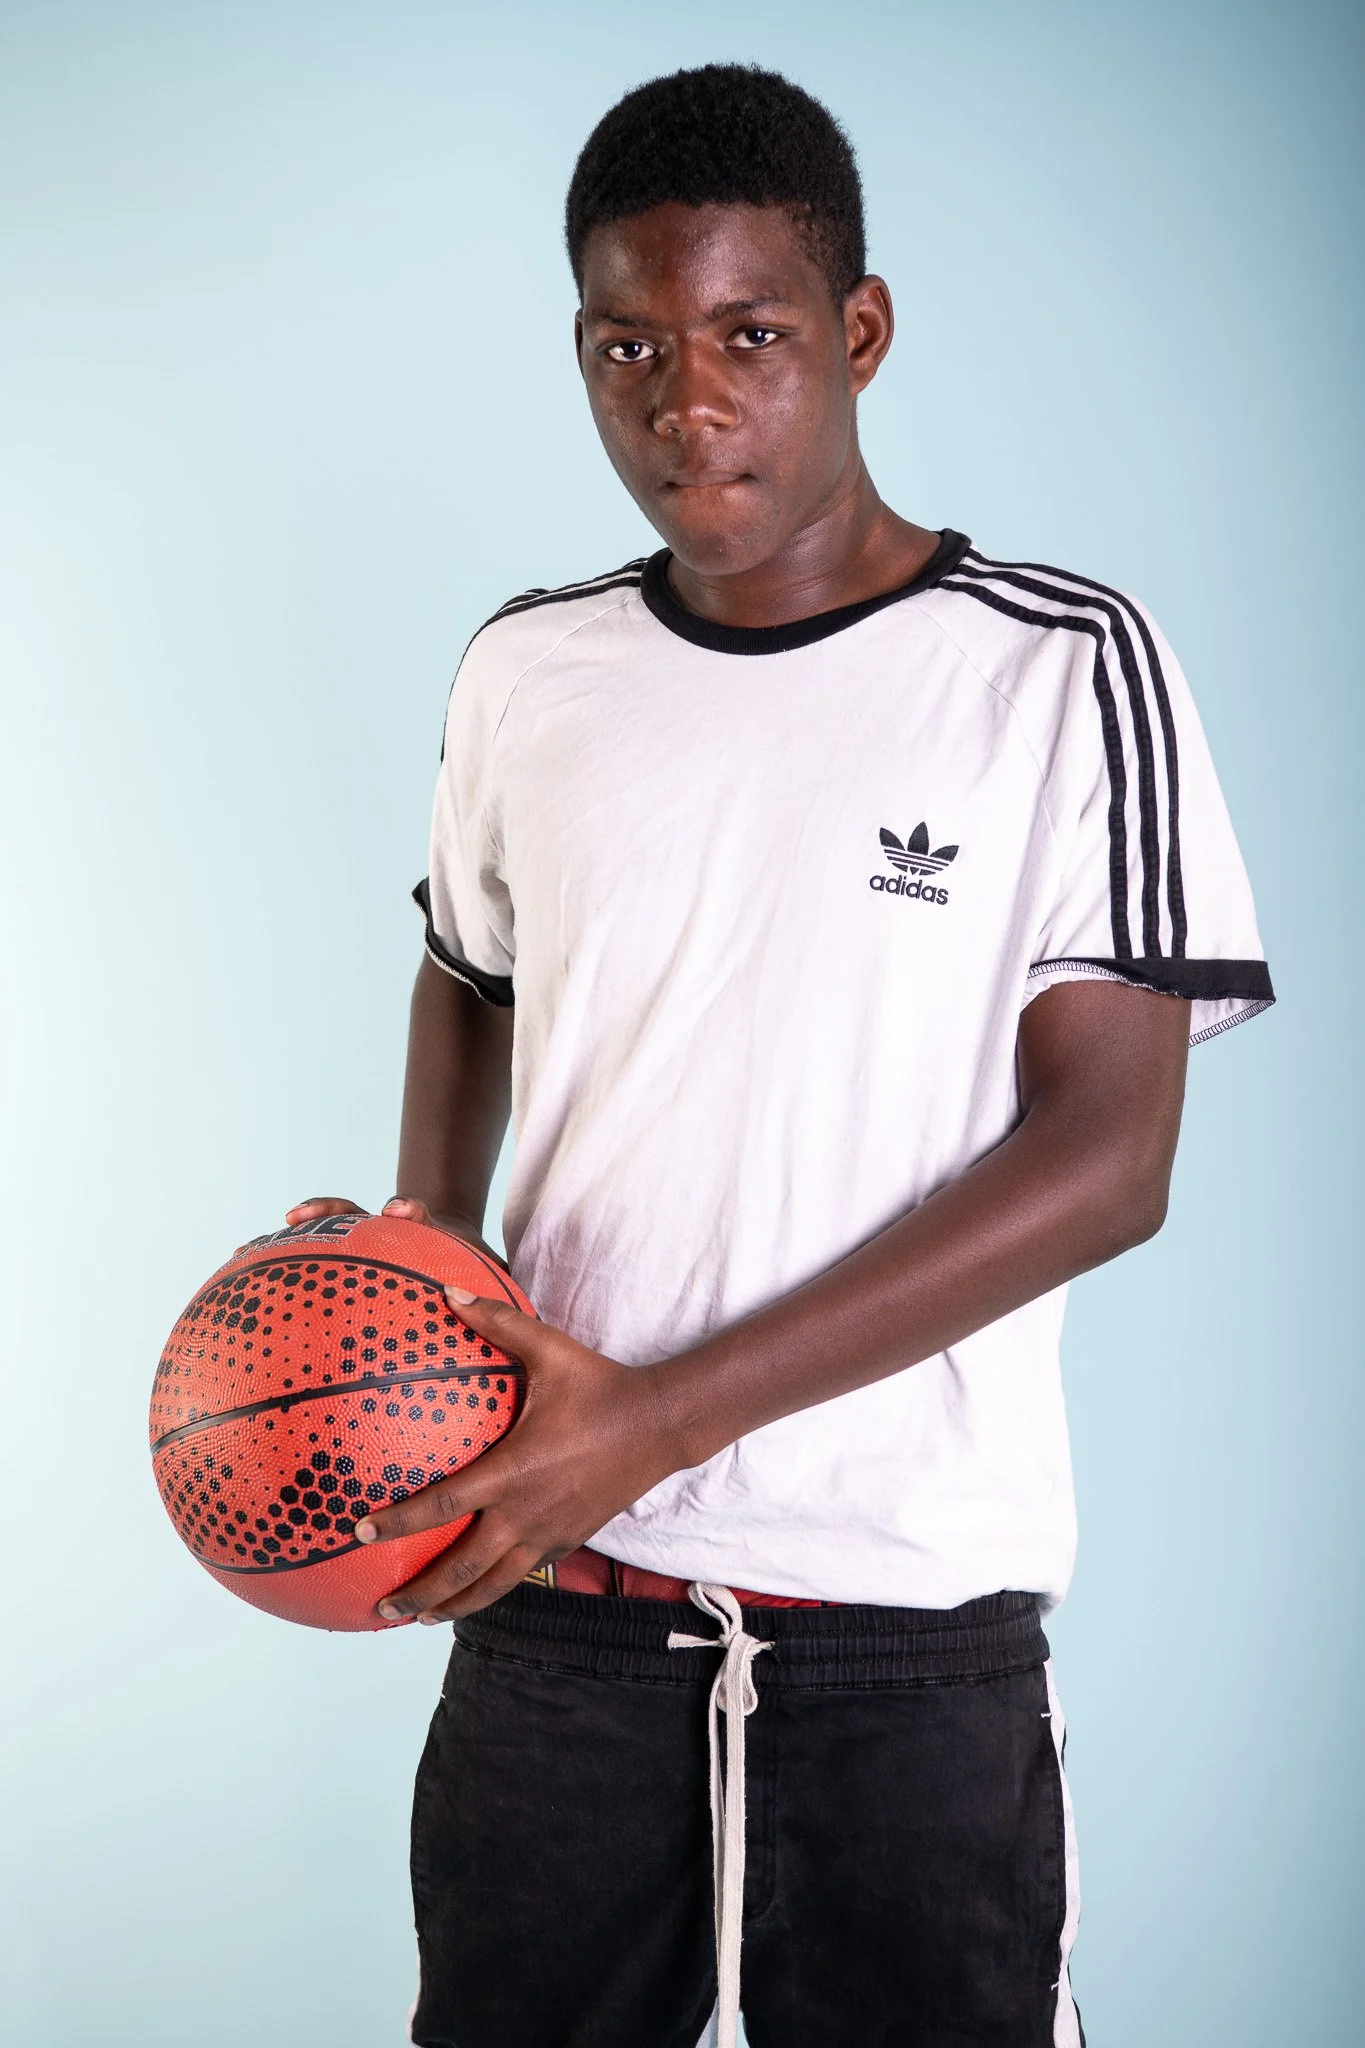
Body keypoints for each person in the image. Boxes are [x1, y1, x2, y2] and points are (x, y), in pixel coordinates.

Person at [287, 64, 1273, 2048]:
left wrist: (651, 1414)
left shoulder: (1060, 668)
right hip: (555, 1601)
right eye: (624, 346)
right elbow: (467, 973)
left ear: (858, 333)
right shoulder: (529, 670)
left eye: (746, 336)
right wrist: (416, 1260)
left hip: (905, 1632)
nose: (683, 400)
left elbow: (1110, 1155)